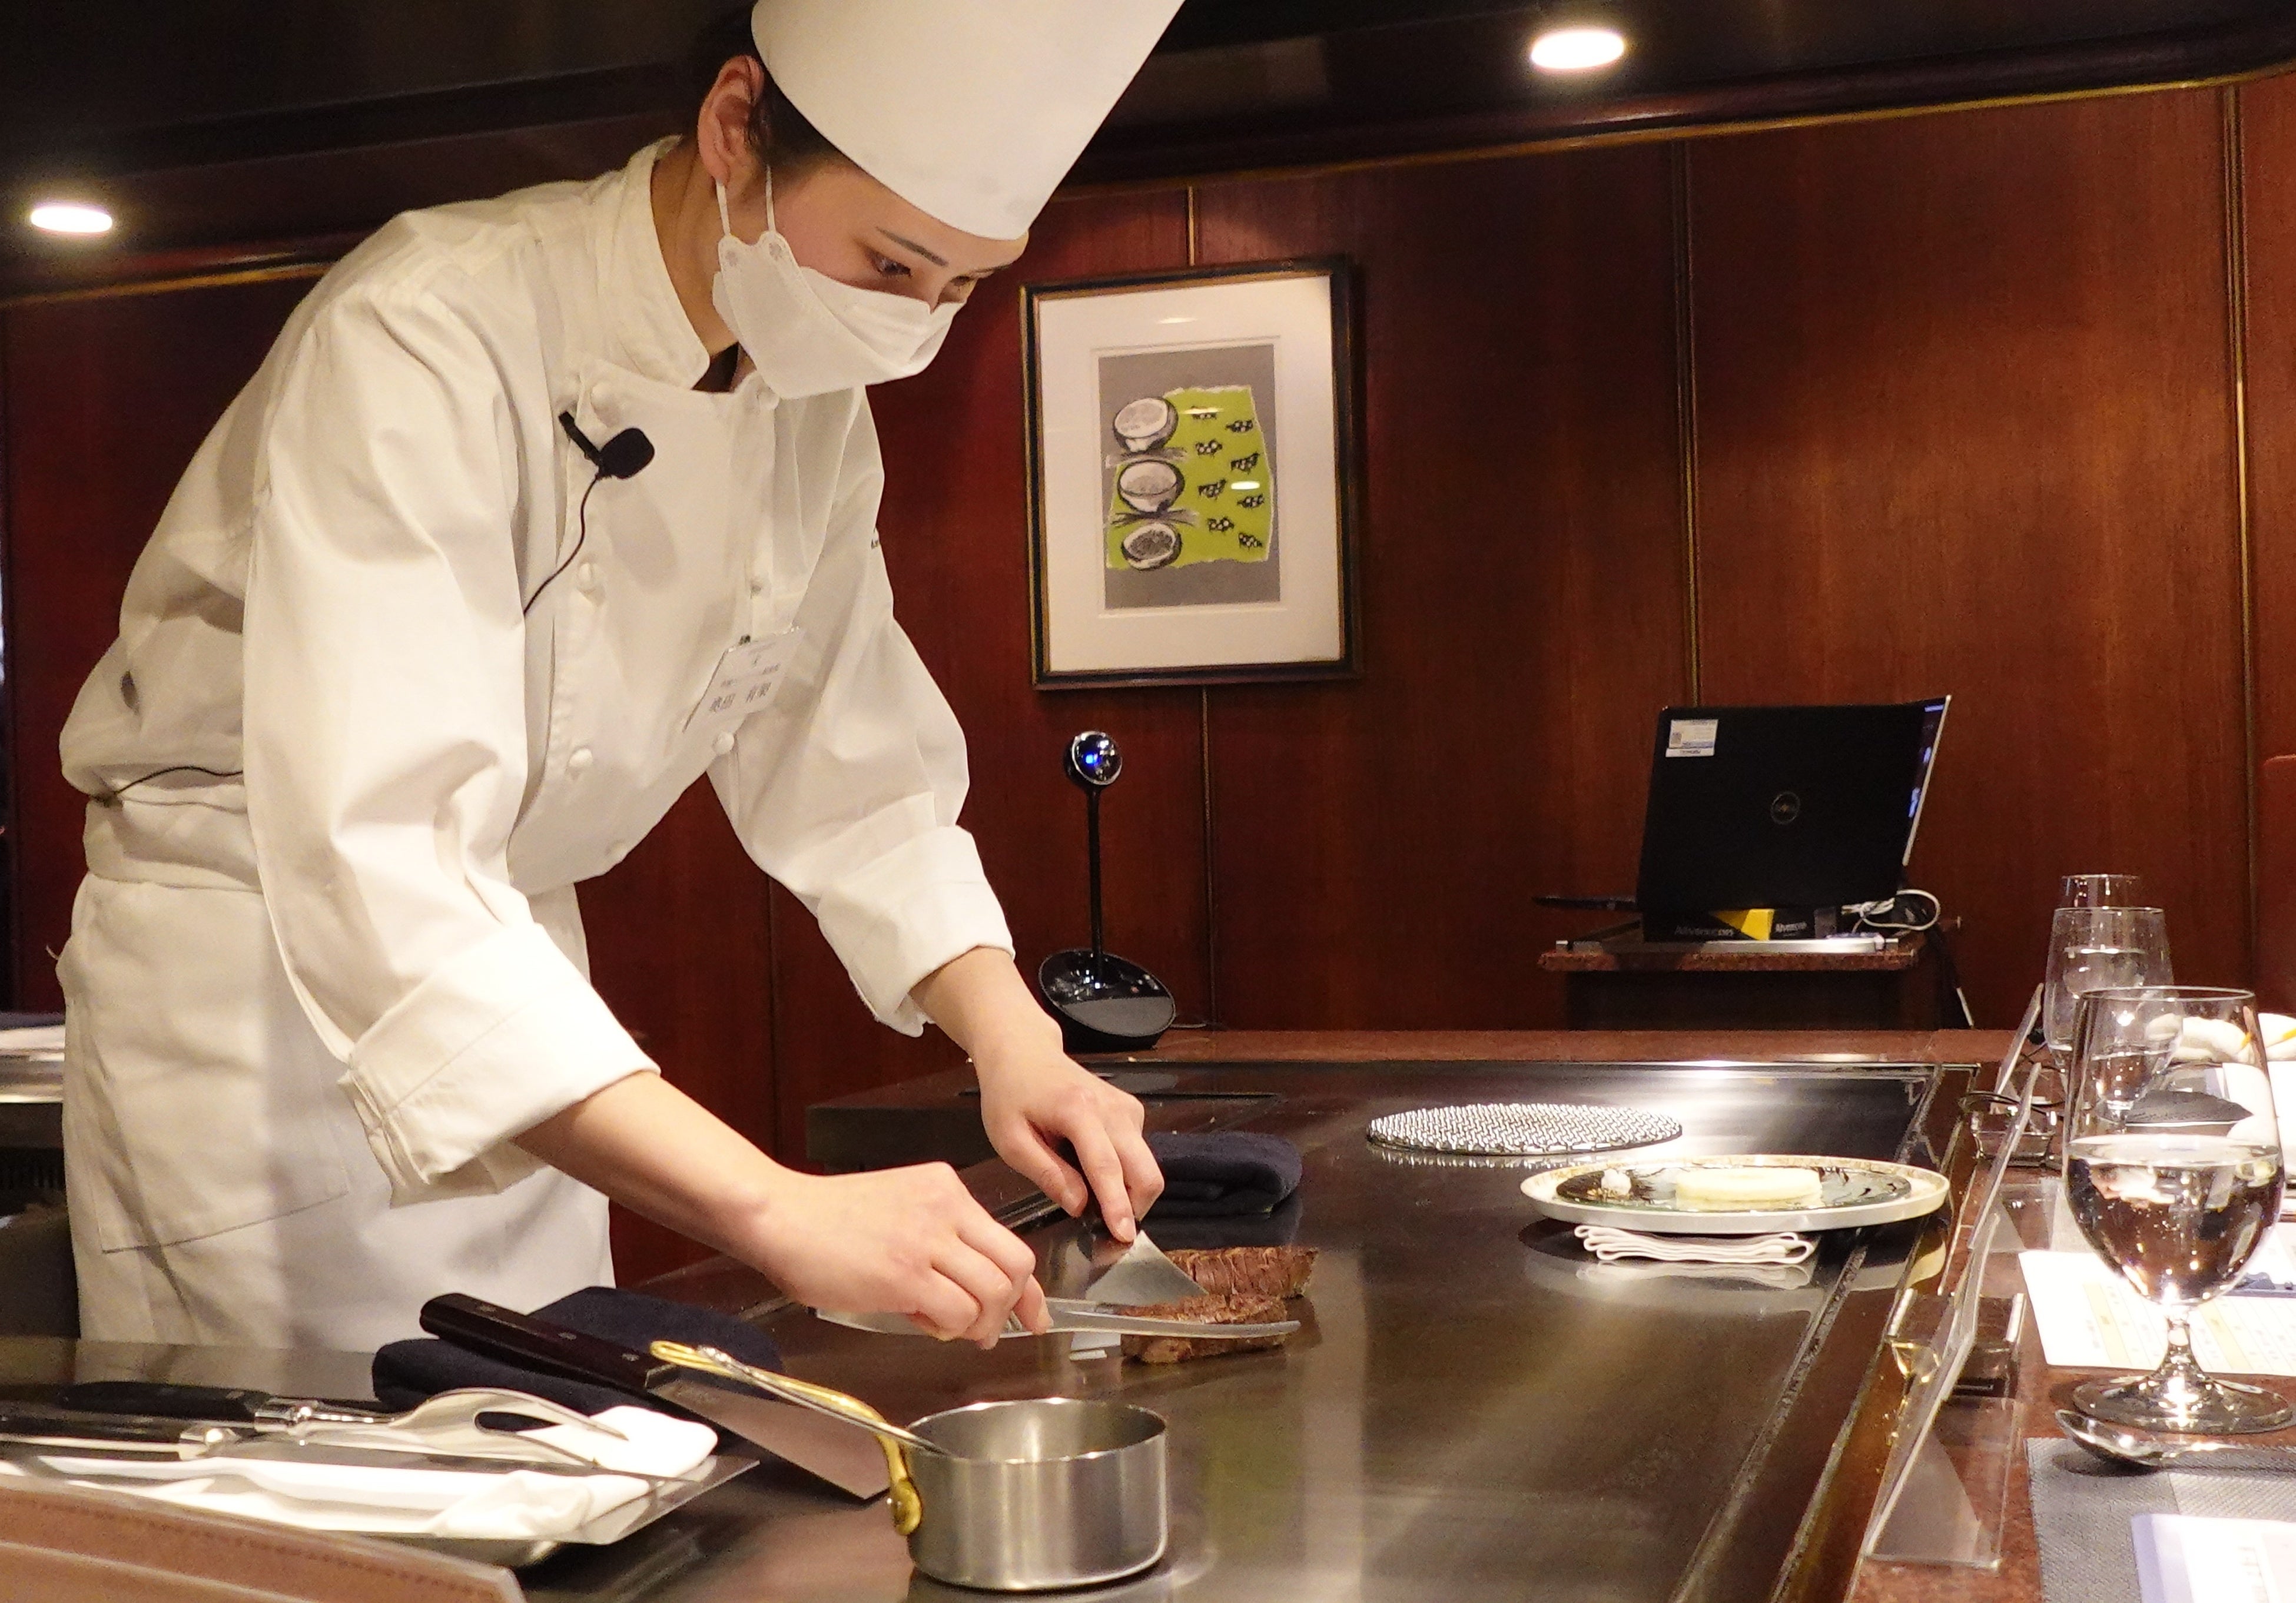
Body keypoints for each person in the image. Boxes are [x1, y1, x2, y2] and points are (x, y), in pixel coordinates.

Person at [55, 0, 1183, 1352]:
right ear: (733, 129)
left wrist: (1015, 1042)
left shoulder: (809, 404)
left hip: (530, 1009)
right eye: (892, 264)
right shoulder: (426, 330)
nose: (915, 327)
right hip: (252, 1013)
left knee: (545, 1462)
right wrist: (773, 1208)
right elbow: (386, 865)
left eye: (963, 286)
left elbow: (850, 766)